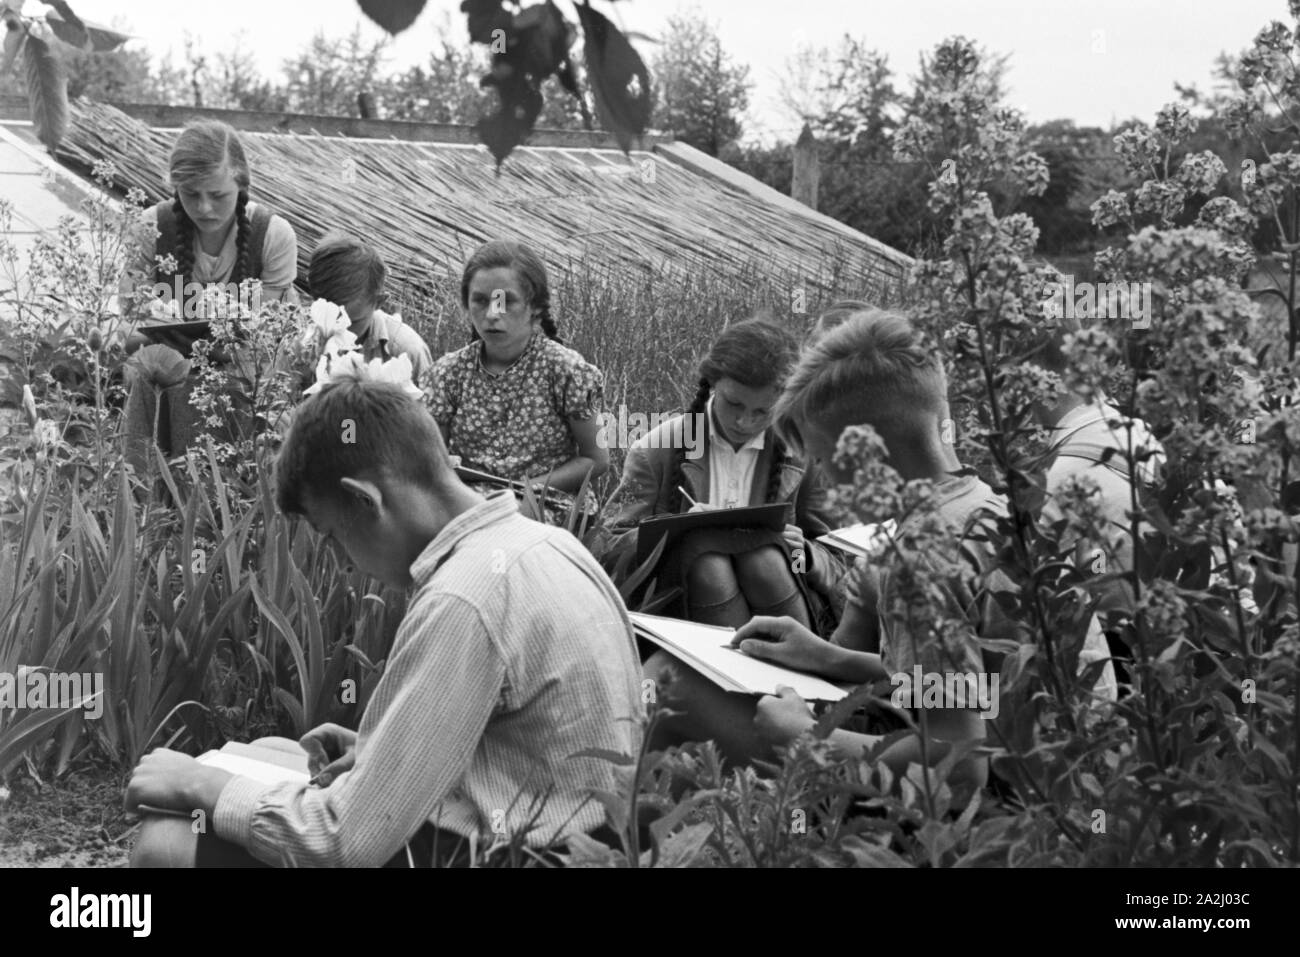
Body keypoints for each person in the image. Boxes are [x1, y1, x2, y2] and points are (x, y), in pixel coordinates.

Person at [125, 369, 644, 867]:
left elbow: (345, 844)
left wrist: (201, 786)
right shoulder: (545, 543)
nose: (342, 560)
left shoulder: (463, 598)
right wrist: (386, 749)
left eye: (332, 535)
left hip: (524, 854)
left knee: (166, 838)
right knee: (268, 749)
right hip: (588, 833)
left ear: (365, 499)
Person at [643, 309, 1116, 782]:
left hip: (1012, 807)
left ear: (868, 454)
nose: (824, 476)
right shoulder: (984, 507)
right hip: (1084, 778)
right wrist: (830, 657)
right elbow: (970, 687)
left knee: (670, 685)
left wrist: (807, 740)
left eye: (826, 459)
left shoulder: (920, 560)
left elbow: (959, 767)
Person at [597, 317, 851, 635]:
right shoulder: (656, 450)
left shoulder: (804, 453)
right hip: (686, 612)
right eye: (734, 403)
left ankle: (792, 666)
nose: (744, 421)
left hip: (786, 599)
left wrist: (805, 553)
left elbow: (842, 562)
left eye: (762, 412)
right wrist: (672, 533)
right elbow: (608, 550)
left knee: (764, 559)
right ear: (713, 382)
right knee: (709, 564)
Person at [119, 121, 298, 472]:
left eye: (217, 195)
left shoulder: (272, 236)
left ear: (242, 183)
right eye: (190, 194)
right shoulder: (149, 229)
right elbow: (127, 332)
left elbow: (268, 341)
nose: (203, 208)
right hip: (161, 383)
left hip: (243, 385)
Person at [427, 240, 609, 520]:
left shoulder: (567, 371)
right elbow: (433, 461)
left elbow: (596, 459)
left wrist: (520, 490)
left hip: (546, 502)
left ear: (535, 306)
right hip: (469, 502)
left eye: (505, 301)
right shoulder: (447, 373)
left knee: (508, 523)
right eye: (480, 301)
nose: (491, 314)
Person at [291, 232, 433, 390]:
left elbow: (426, 411)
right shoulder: (300, 342)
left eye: (351, 323)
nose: (338, 332)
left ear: (378, 302)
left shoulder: (407, 351)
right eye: (328, 320)